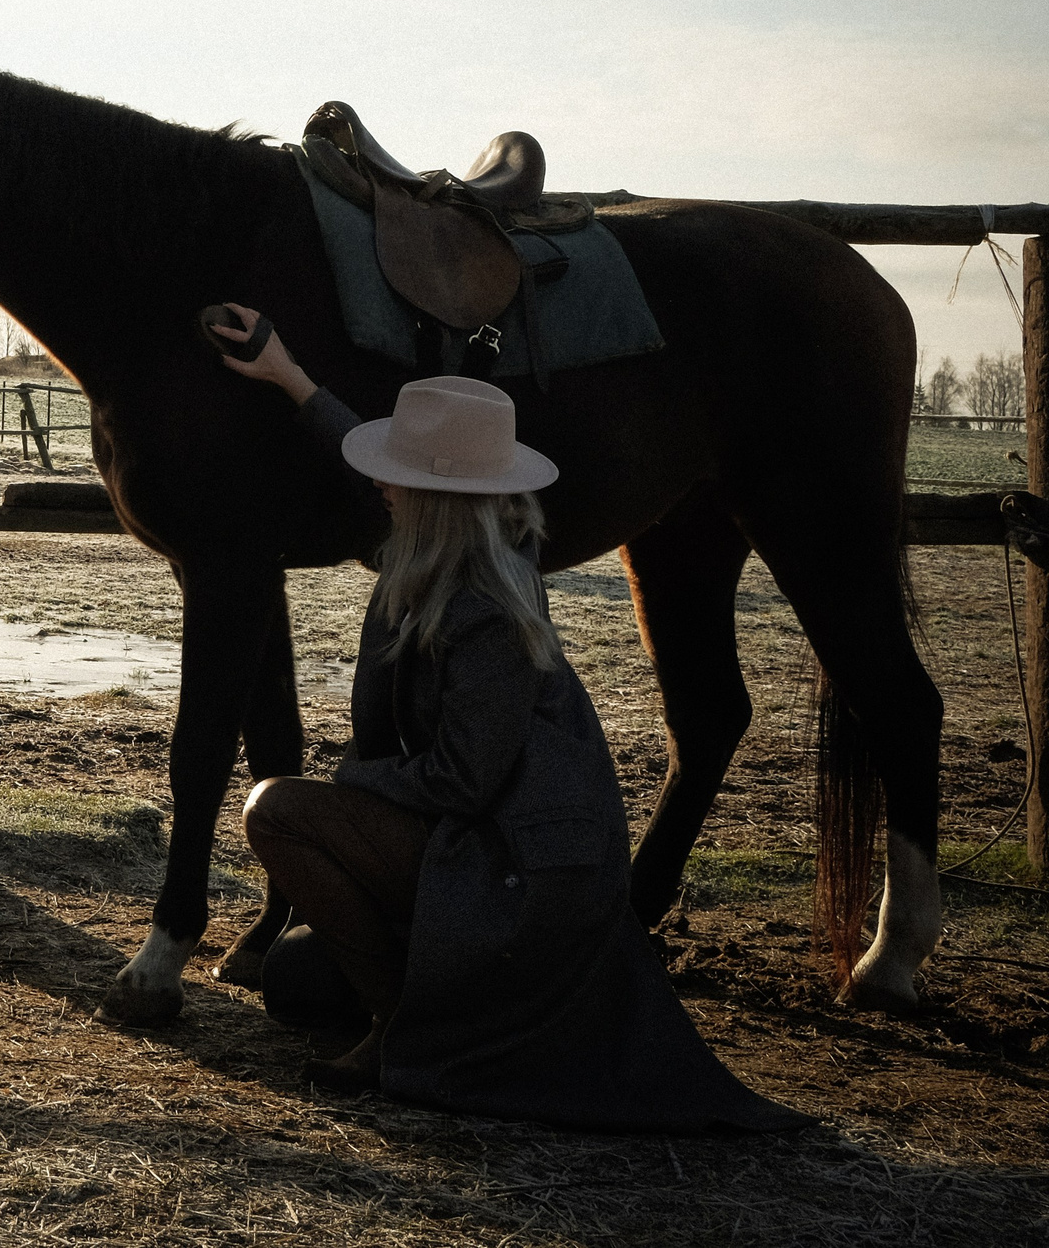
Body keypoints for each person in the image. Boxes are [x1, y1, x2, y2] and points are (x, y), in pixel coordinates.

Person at [211, 303, 802, 1133]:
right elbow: (361, 465)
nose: (378, 480)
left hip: (517, 869)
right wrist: (287, 370)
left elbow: (463, 777)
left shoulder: (486, 606)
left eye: (396, 471)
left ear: (432, 494)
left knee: (276, 809)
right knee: (296, 981)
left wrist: (353, 781)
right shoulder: (449, 543)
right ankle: (412, 1011)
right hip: (480, 842)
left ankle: (398, 1033)